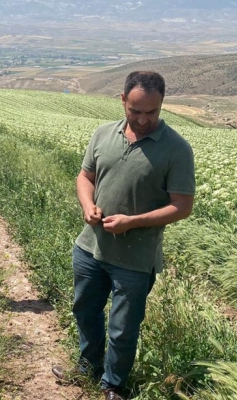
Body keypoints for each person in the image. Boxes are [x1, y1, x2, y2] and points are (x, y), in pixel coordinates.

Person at [52, 71, 195, 400]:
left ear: (162, 105)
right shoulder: (103, 134)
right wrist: (88, 205)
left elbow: (182, 206)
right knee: (85, 311)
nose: (144, 119)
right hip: (90, 247)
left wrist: (133, 222)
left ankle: (113, 384)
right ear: (122, 100)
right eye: (135, 111)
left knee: (123, 328)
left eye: (152, 112)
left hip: (135, 258)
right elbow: (85, 177)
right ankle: (87, 366)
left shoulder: (176, 149)